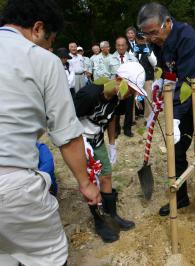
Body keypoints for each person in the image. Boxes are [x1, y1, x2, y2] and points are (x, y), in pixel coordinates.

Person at [0, 1, 101, 265]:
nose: (48, 47)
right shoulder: (42, 60)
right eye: (50, 41)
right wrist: (86, 184)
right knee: (49, 256)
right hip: (10, 185)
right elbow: (67, 136)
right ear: (37, 28)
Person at [137, 2, 195, 216]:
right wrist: (160, 81)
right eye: (146, 34)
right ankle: (182, 196)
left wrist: (175, 118)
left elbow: (187, 82)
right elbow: (166, 68)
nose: (150, 38)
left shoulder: (187, 38)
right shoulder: (159, 40)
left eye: (153, 32)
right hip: (184, 95)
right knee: (176, 149)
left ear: (167, 23)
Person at [74, 62, 145, 242]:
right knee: (92, 182)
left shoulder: (118, 97)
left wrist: (112, 144)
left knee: (106, 175)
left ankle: (111, 215)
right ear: (119, 80)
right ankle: (99, 222)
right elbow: (68, 120)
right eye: (131, 89)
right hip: (80, 141)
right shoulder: (89, 95)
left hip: (97, 140)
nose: (132, 94)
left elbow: (111, 117)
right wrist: (80, 144)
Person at [110, 37, 139, 138]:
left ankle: (127, 129)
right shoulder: (110, 59)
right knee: (116, 110)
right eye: (119, 45)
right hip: (115, 88)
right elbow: (106, 75)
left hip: (129, 88)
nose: (121, 47)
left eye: (123, 45)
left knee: (129, 110)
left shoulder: (133, 59)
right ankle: (116, 130)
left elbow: (137, 73)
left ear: (127, 46)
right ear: (116, 46)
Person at [133, 32, 157, 121]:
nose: (141, 41)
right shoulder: (134, 49)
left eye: (143, 39)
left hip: (148, 78)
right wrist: (135, 53)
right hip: (136, 79)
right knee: (138, 98)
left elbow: (154, 63)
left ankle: (148, 119)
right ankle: (137, 115)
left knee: (148, 99)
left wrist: (148, 53)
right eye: (139, 39)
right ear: (136, 39)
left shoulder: (150, 48)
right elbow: (131, 61)